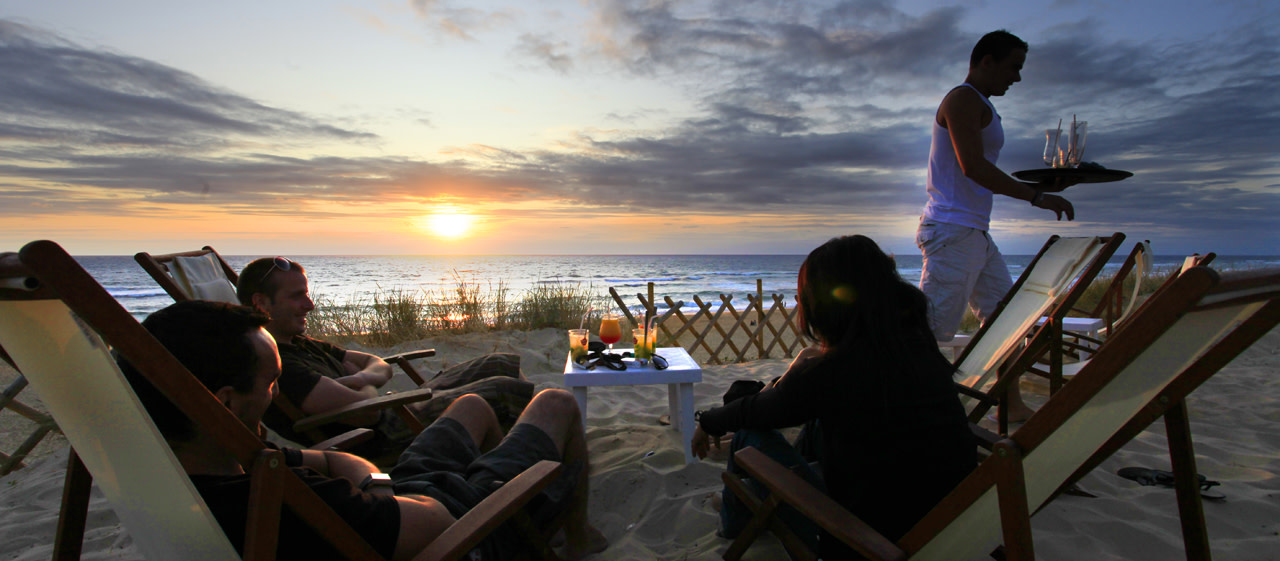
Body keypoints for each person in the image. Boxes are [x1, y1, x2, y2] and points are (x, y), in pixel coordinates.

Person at [118, 300, 608, 560]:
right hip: (459, 524)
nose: (274, 394)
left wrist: (373, 483)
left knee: (474, 403)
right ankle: (566, 534)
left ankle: (510, 488)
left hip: (400, 495)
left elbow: (333, 462)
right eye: (270, 383)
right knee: (556, 401)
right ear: (224, 401)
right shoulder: (283, 503)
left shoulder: (226, 467)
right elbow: (437, 526)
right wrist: (375, 484)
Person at [691, 235, 977, 561]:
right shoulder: (917, 350)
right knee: (817, 424)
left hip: (863, 539)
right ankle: (760, 499)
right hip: (950, 522)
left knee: (747, 434)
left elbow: (759, 411)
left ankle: (735, 521)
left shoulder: (836, 374)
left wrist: (708, 421)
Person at [917, 30, 1075, 420]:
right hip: (952, 231)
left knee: (1009, 319)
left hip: (973, 233)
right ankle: (912, 410)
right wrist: (1035, 197)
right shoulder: (962, 99)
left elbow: (980, 169)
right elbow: (972, 166)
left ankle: (1011, 401)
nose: (1017, 78)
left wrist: (1045, 186)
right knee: (928, 331)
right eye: (1013, 67)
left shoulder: (981, 103)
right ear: (987, 61)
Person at [236, 256, 533, 450]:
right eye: (297, 296)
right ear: (261, 303)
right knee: (503, 390)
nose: (310, 305)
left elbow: (377, 365)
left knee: (499, 362)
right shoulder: (280, 365)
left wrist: (359, 378)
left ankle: (512, 442)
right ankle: (529, 463)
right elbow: (367, 412)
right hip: (387, 432)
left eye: (307, 293)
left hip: (397, 407)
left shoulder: (298, 341)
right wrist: (365, 382)